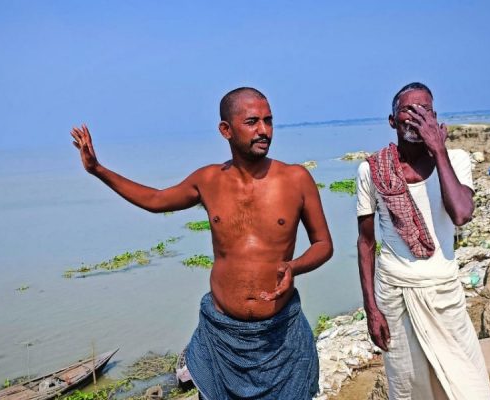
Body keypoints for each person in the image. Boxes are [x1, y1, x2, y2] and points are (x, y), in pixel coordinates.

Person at [70, 87, 333, 400]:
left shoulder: (296, 179)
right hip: (222, 336)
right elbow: (155, 200)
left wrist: (294, 266)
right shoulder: (208, 180)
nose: (264, 130)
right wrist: (98, 170)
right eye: (252, 122)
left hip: (280, 332)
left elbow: (323, 244)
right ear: (226, 130)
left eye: (268, 120)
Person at [356, 82, 490, 399]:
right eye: (408, 109)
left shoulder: (456, 160)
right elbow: (365, 243)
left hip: (444, 289)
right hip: (395, 292)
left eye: (425, 109)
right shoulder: (371, 170)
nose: (417, 115)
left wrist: (439, 151)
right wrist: (371, 309)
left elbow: (461, 214)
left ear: (434, 118)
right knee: (410, 386)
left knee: (468, 384)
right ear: (392, 120)